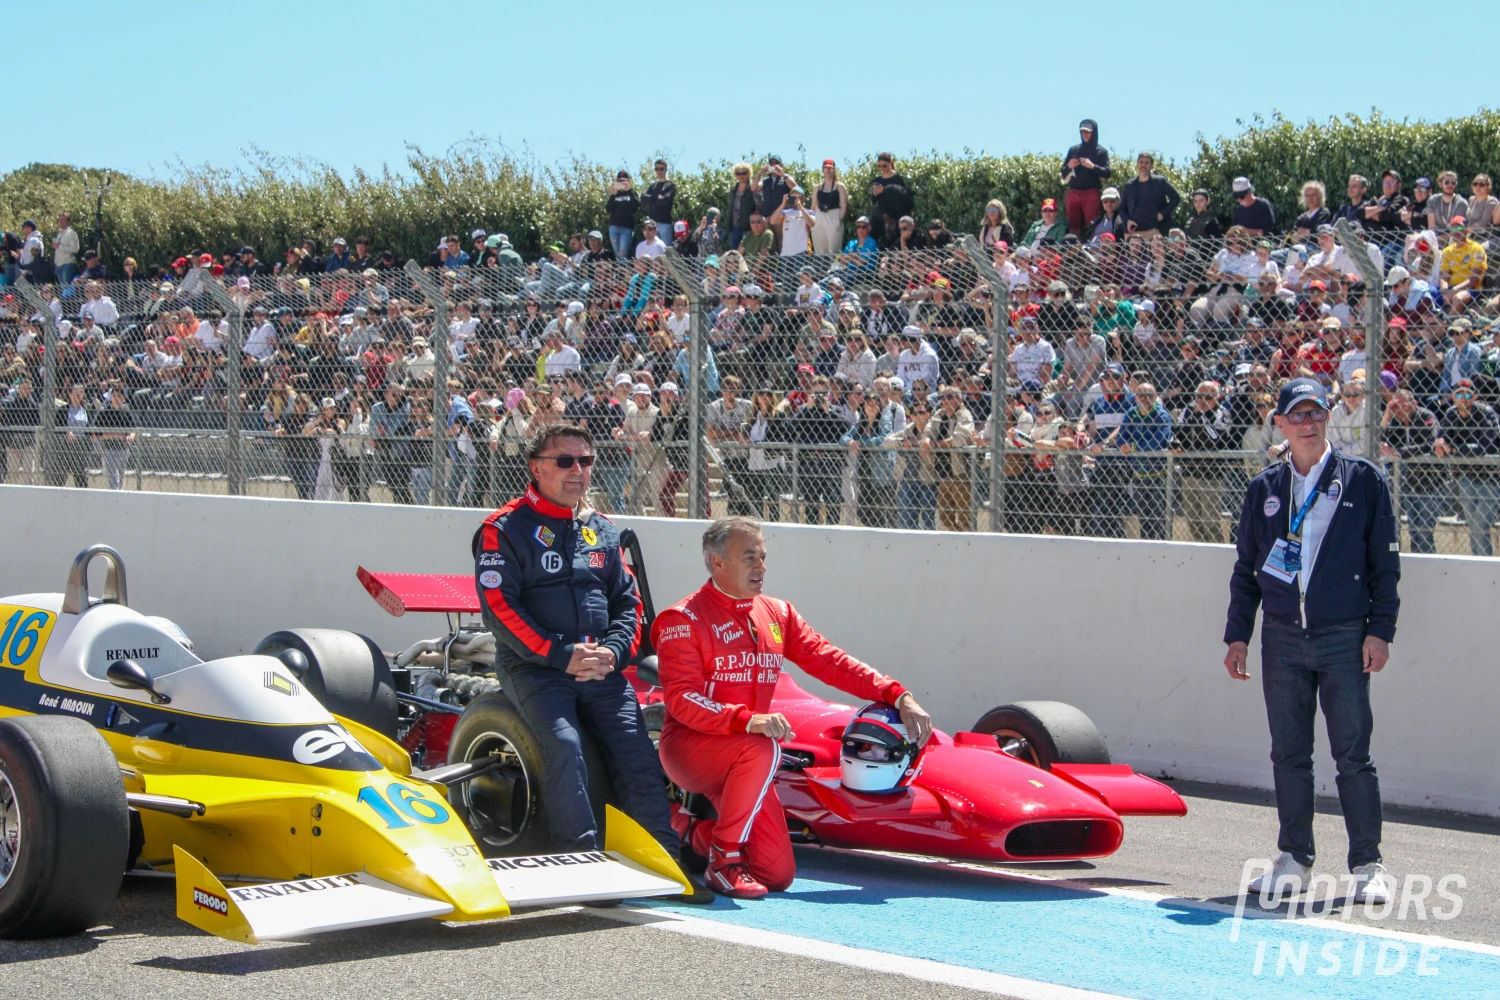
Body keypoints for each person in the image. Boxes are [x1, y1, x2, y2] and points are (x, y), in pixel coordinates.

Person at [472, 424, 707, 900]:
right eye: (565, 461)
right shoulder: (501, 529)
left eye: (585, 461)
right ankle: (579, 863)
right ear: (536, 467)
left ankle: (663, 861)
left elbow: (629, 603)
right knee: (565, 746)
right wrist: (561, 656)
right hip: (534, 669)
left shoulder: (602, 529)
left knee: (638, 753)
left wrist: (613, 653)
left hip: (600, 667)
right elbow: (500, 610)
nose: (577, 470)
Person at [652, 516, 931, 898]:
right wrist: (748, 721)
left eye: (764, 557)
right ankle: (723, 860)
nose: (761, 567)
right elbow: (682, 700)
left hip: (750, 756)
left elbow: (829, 660)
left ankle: (683, 827)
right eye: (750, 557)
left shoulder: (778, 613)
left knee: (776, 874)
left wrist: (896, 694)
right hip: (691, 749)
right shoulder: (681, 619)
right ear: (717, 563)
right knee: (763, 746)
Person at [1224, 377, 1397, 905]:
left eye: (1315, 413)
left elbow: (1384, 566)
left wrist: (1380, 631)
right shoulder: (1265, 489)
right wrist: (1238, 636)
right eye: (1296, 415)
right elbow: (1246, 570)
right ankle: (1294, 858)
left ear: (1327, 418)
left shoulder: (1363, 480)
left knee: (1353, 755)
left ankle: (1368, 864)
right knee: (1289, 754)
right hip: (1280, 637)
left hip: (1344, 634)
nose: (1307, 423)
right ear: (1279, 424)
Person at [1435, 379, 1500, 556]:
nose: (1464, 399)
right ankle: (1478, 564)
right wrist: (1442, 446)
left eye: (1468, 394)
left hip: (1491, 476)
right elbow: (1441, 441)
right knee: (1473, 526)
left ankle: (1485, 565)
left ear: (1475, 396)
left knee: (1480, 524)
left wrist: (1453, 449)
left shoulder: (1487, 413)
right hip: (1465, 475)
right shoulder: (1450, 413)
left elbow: (1485, 446)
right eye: (1459, 394)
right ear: (1453, 397)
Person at [1062, 119, 1110, 237]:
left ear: (1094, 133)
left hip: (1091, 192)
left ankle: (1091, 249)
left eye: (1088, 132)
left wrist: (1093, 166)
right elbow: (1063, 172)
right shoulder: (1074, 150)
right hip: (1074, 192)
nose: (1085, 135)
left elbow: (1107, 172)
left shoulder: (1101, 151)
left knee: (1092, 224)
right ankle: (1074, 251)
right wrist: (1069, 166)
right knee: (1073, 225)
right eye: (1083, 132)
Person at [1121, 153, 1181, 238]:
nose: (1143, 165)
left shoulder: (1160, 182)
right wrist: (1127, 221)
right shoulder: (1129, 185)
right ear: (1137, 164)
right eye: (1141, 162)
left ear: (1151, 165)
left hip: (1155, 230)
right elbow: (1122, 209)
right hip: (1134, 233)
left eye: (1147, 163)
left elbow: (1176, 198)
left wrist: (1162, 214)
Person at [811, 159, 848, 255]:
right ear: (822, 170)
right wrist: (817, 218)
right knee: (820, 251)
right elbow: (814, 206)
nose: (828, 171)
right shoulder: (817, 187)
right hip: (820, 216)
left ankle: (834, 269)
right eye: (826, 168)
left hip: (834, 215)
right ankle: (821, 269)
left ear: (834, 170)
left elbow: (843, 205)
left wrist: (839, 220)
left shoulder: (839, 186)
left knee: (834, 250)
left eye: (830, 168)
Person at [606, 171, 640, 259]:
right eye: (619, 181)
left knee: (623, 254)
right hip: (614, 228)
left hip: (626, 228)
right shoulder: (615, 194)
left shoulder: (632, 193)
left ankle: (623, 272)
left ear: (629, 182)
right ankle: (620, 272)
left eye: (624, 182)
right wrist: (612, 195)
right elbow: (608, 209)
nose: (621, 184)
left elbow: (636, 206)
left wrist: (629, 190)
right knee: (617, 254)